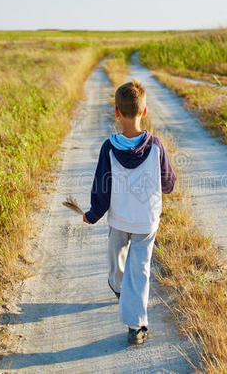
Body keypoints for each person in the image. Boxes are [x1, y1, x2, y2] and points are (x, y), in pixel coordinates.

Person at [83, 80, 176, 345]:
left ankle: (132, 316)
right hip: (147, 221)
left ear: (116, 112)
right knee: (140, 270)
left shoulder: (109, 147)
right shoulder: (156, 146)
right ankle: (129, 306)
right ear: (144, 112)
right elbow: (168, 184)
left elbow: (101, 187)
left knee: (116, 257)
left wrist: (93, 213)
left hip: (120, 218)